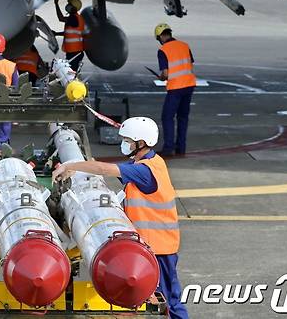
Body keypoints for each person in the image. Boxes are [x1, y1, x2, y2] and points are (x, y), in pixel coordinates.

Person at [52, 117, 188, 319]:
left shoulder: (145, 170)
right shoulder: (146, 163)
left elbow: (105, 169)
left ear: (140, 143)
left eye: (127, 140)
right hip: (149, 245)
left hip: (160, 248)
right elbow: (112, 169)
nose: (124, 144)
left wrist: (71, 166)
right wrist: (79, 167)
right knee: (148, 295)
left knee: (169, 300)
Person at [155, 23, 196, 156]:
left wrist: (161, 78)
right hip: (189, 85)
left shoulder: (163, 50)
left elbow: (166, 74)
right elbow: (189, 63)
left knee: (167, 117)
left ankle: (168, 148)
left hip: (176, 87)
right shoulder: (185, 45)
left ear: (161, 36)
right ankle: (181, 148)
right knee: (183, 117)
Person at [54, 0, 86, 72]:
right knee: (71, 72)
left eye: (69, 4)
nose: (67, 6)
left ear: (74, 8)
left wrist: (56, 4)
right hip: (74, 51)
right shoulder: (75, 18)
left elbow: (61, 18)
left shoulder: (74, 18)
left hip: (75, 52)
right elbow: (69, 33)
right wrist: (56, 33)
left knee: (71, 73)